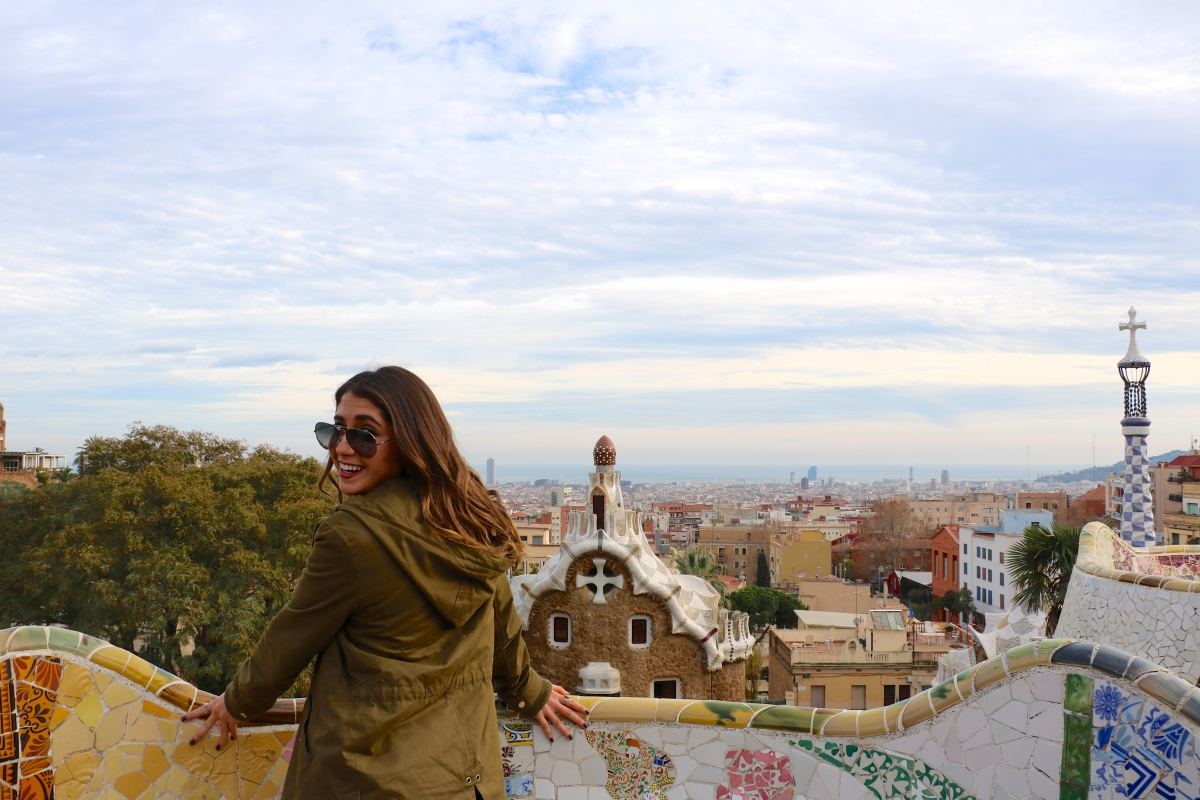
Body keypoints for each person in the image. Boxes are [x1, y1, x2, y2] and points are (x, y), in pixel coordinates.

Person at [183, 366, 587, 799]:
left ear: (410, 441)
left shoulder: (352, 535)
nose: (342, 447)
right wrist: (528, 691)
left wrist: (236, 702)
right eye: (335, 430)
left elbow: (290, 639)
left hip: (365, 781)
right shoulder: (470, 519)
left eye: (364, 434)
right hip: (465, 780)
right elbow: (502, 626)